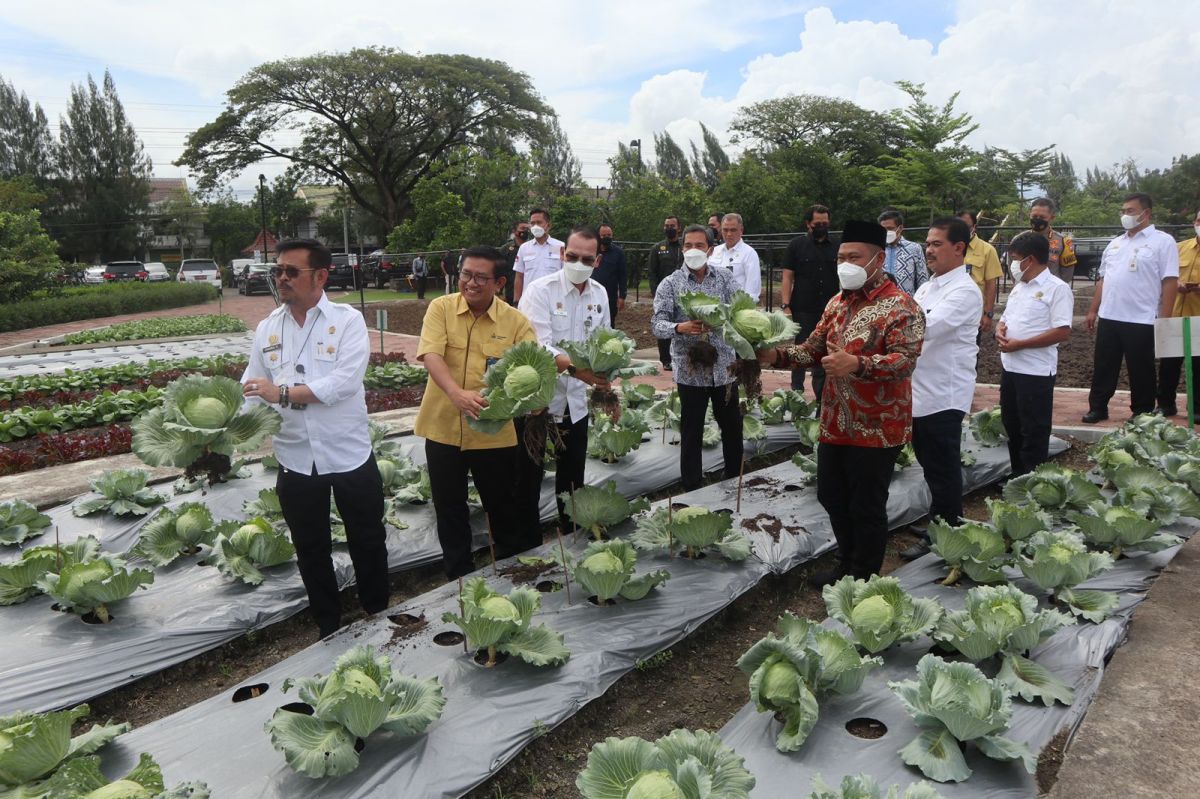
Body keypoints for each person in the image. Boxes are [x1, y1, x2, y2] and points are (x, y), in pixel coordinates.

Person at [759, 220, 925, 582]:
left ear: (878, 259)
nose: (845, 264)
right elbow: (812, 350)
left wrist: (858, 364)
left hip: (879, 425)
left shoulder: (902, 307)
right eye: (841, 257)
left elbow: (904, 361)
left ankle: (862, 574)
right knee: (831, 495)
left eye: (854, 256)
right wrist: (776, 357)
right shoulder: (836, 303)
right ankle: (847, 559)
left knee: (866, 505)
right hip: (836, 420)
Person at [241, 238, 389, 640]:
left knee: (368, 538)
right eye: (278, 271)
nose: (282, 279)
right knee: (310, 547)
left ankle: (378, 610)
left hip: (348, 455)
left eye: (291, 271)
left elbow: (343, 383)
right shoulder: (268, 328)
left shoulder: (347, 321)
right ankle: (328, 622)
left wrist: (283, 394)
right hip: (295, 457)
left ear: (320, 276)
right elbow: (253, 385)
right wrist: (224, 429)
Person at [415, 245, 541, 578]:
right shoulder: (440, 308)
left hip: (494, 432)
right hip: (443, 427)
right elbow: (431, 354)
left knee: (501, 506)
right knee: (449, 509)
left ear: (500, 282)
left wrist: (527, 396)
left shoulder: (515, 322)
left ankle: (512, 573)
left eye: (480, 277)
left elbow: (531, 367)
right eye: (466, 275)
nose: (471, 283)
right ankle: (458, 577)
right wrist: (455, 393)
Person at [517, 226, 612, 533]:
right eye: (572, 256)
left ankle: (571, 533)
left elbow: (605, 340)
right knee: (528, 474)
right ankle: (526, 539)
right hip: (539, 402)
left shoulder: (600, 294)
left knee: (572, 476)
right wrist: (579, 371)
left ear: (597, 261)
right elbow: (537, 345)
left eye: (587, 259)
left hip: (577, 402)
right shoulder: (540, 291)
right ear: (562, 254)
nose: (579, 264)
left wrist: (607, 370)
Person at [900, 218, 981, 560]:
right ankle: (938, 518)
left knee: (942, 466)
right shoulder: (928, 287)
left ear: (959, 248)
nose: (928, 250)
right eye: (928, 244)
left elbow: (925, 327)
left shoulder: (964, 291)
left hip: (943, 394)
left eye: (936, 244)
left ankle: (946, 532)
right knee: (929, 463)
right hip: (920, 391)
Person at [652, 224, 743, 491]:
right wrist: (679, 328)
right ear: (682, 250)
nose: (694, 250)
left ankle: (735, 478)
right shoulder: (670, 283)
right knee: (692, 431)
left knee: (731, 426)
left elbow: (740, 310)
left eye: (700, 245)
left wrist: (725, 320)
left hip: (725, 367)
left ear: (710, 249)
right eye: (688, 245)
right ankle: (692, 485)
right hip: (691, 370)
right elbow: (657, 324)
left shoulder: (724, 278)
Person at [1083, 193, 1180, 423]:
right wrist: (1092, 310)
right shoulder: (1116, 243)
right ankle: (1098, 407)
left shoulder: (1162, 241)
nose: (1124, 215)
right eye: (1123, 211)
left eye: (1130, 211)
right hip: (1110, 315)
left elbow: (1170, 281)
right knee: (1104, 365)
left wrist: (1164, 319)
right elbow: (1103, 280)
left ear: (1146, 213)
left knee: (1141, 369)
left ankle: (1142, 412)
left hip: (1142, 318)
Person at [996, 231, 1073, 474]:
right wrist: (1000, 328)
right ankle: (1018, 476)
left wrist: (1021, 344)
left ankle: (1033, 482)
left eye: (1015, 258)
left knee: (1034, 429)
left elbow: (1062, 332)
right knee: (1013, 424)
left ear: (1030, 259)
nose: (1012, 265)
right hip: (1010, 367)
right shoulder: (1021, 287)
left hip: (1035, 371)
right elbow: (1006, 318)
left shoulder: (1057, 289)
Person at [780, 204, 839, 398]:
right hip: (803, 308)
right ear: (808, 224)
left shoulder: (837, 246)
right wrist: (786, 305)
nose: (821, 226)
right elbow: (787, 277)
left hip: (829, 309)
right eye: (817, 223)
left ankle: (821, 397)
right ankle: (796, 394)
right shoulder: (796, 245)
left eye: (825, 223)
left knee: (823, 352)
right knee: (800, 350)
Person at [1155, 209, 1200, 417]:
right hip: (1174, 315)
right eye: (1199, 220)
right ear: (1194, 222)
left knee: (1198, 367)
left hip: (1198, 318)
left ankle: (1197, 409)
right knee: (1169, 366)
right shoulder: (1179, 248)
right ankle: (1165, 405)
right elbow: (1163, 276)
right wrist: (1176, 283)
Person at [647, 215, 684, 370]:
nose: (669, 228)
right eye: (666, 225)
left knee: (681, 325)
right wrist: (655, 292)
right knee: (663, 325)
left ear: (679, 228)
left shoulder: (684, 246)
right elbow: (652, 272)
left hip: (683, 294)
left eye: (672, 225)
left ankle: (680, 356)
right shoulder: (658, 248)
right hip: (663, 294)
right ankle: (666, 360)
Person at [957, 209, 1002, 337]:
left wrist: (988, 314)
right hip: (950, 311)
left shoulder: (987, 250)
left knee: (970, 351)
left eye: (965, 226)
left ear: (974, 227)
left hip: (973, 313)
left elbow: (991, 284)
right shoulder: (948, 248)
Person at [512, 208, 564, 304]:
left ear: (548, 225)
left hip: (554, 301)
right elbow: (519, 276)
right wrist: (516, 302)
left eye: (539, 222)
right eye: (532, 223)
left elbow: (566, 275)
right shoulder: (524, 248)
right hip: (529, 301)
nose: (535, 226)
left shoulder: (561, 247)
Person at [709, 212, 762, 302]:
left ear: (741, 231)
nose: (729, 234)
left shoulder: (749, 253)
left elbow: (752, 291)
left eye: (733, 230)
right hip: (714, 308)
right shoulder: (714, 251)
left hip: (737, 309)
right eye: (725, 230)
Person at [878, 209, 928, 296]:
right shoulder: (877, 249)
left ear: (900, 228)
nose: (886, 232)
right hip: (881, 304)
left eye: (889, 228)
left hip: (907, 304)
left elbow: (922, 280)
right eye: (883, 229)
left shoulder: (914, 248)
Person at [1029, 198, 1078, 283]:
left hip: (1051, 291)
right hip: (1026, 290)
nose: (1037, 219)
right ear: (1029, 215)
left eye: (1042, 217)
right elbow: (1013, 270)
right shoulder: (1018, 240)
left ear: (1052, 218)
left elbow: (1067, 274)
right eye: (1034, 216)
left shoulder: (1063, 242)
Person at [592, 223, 627, 325]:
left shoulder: (618, 253)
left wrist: (622, 296)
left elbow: (623, 275)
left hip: (610, 296)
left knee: (609, 323)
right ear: (597, 236)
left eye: (609, 235)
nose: (607, 238)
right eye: (604, 236)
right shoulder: (591, 251)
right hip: (592, 294)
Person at [497, 221, 531, 304]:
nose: (525, 231)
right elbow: (499, 271)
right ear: (515, 231)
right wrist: (499, 293)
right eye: (523, 229)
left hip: (530, 293)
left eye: (527, 229)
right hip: (511, 294)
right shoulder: (506, 249)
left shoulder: (533, 248)